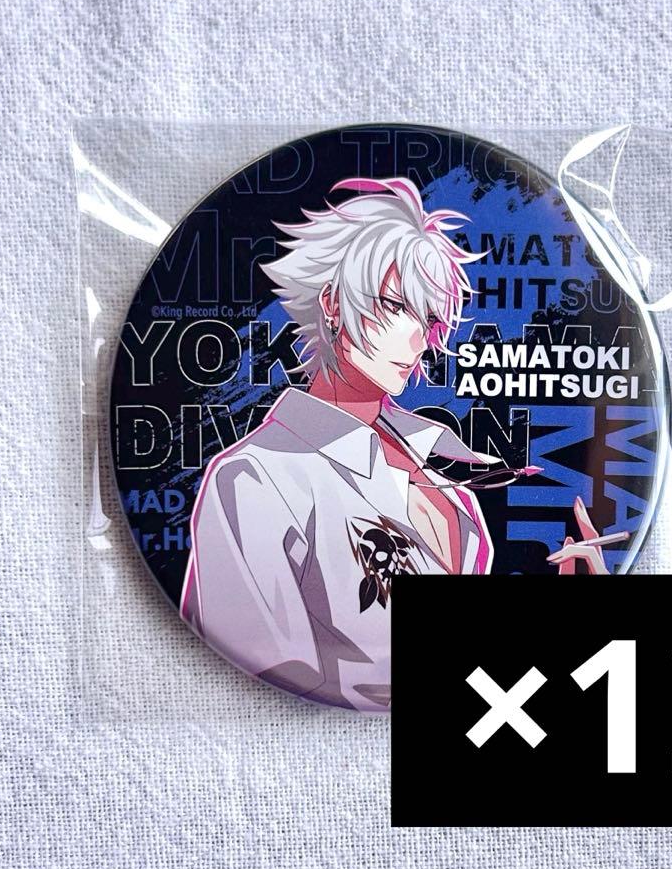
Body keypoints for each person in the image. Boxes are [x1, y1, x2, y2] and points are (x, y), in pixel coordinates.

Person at [178, 176, 607, 712]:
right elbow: (267, 677)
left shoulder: (445, 467)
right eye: (395, 305)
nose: (417, 338)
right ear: (333, 303)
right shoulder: (257, 478)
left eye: (428, 317)